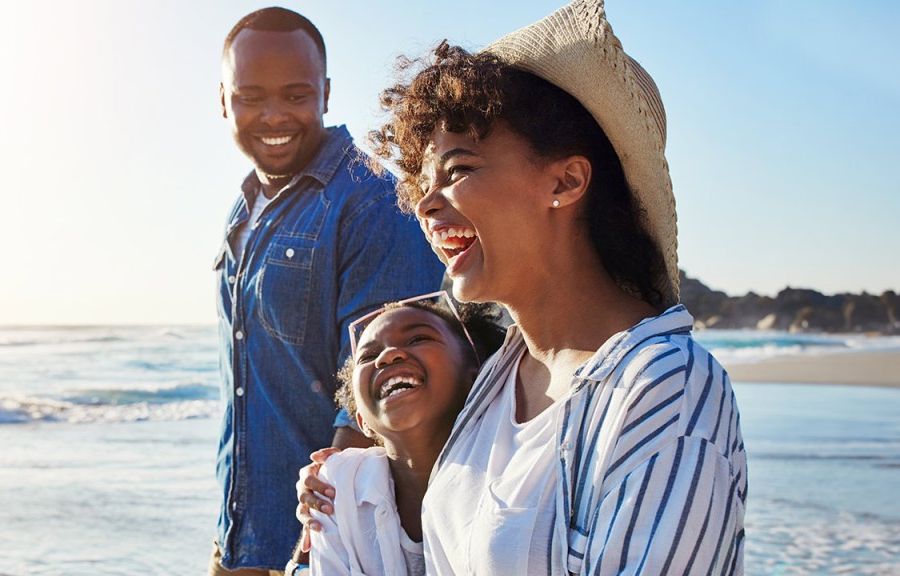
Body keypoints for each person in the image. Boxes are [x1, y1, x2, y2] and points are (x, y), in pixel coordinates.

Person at [296, 1, 747, 574]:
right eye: (422, 183)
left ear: (565, 180)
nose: (427, 204)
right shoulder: (496, 379)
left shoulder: (662, 387)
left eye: (458, 171)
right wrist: (347, 495)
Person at [212, 7, 445, 575]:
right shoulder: (243, 210)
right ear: (223, 99)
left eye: (295, 95)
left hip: (324, 544)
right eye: (250, 96)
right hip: (240, 534)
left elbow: (381, 392)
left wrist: (313, 546)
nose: (273, 116)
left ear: (326, 93)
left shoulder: (370, 201)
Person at [309, 293, 505, 575]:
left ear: (475, 377)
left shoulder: (511, 477)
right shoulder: (338, 486)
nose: (388, 356)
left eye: (418, 339)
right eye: (368, 356)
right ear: (362, 420)